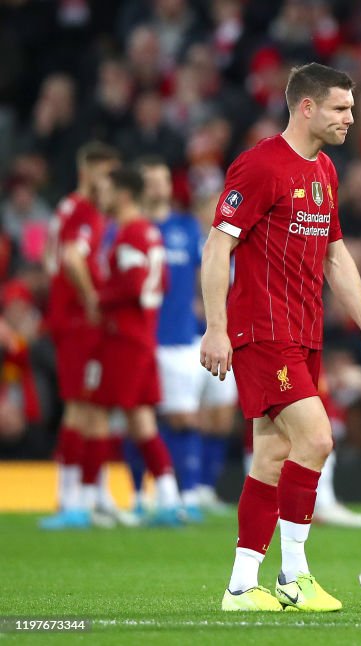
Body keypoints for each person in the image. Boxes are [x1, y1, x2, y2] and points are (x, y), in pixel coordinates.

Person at [200, 63, 361, 612]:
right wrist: (216, 328)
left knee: (272, 455)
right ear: (306, 107)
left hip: (304, 333)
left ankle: (241, 585)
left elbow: (335, 254)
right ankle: (294, 575)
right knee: (318, 438)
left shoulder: (325, 170)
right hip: (262, 331)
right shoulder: (259, 167)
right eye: (340, 108)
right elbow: (218, 247)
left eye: (351, 108)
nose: (351, 118)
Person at [130, 156, 237, 521]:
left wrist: (207, 312)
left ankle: (190, 493)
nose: (159, 186)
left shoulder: (186, 228)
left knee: (185, 417)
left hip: (180, 338)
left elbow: (206, 270)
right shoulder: (132, 227)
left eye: (163, 178)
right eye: (152, 179)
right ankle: (138, 495)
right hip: (139, 338)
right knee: (135, 416)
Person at [81, 165, 184, 526]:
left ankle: (91, 501)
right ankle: (170, 498)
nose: (102, 197)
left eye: (107, 190)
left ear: (123, 194)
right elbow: (163, 283)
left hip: (124, 339)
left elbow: (135, 284)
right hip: (143, 336)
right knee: (141, 422)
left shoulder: (131, 234)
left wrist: (99, 299)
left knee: (95, 413)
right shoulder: (149, 232)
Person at [39, 142, 122, 530]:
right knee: (81, 407)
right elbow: (71, 257)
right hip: (77, 323)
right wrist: (90, 298)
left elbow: (49, 258)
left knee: (92, 406)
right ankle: (71, 498)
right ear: (89, 172)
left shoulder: (67, 209)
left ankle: (91, 493)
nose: (111, 184)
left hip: (67, 319)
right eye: (106, 175)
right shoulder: (85, 212)